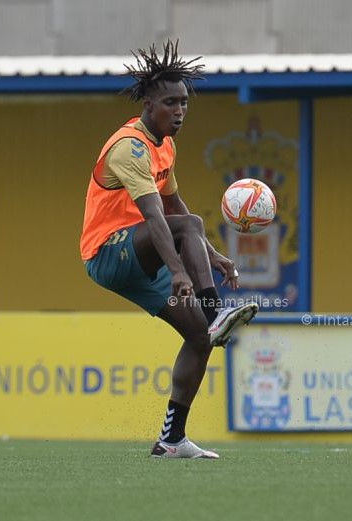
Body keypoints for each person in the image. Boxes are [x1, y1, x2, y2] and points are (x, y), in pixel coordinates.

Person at [80, 40, 258, 459]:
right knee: (186, 231)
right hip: (108, 252)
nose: (179, 111)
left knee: (199, 338)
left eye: (184, 103)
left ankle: (171, 438)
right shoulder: (130, 147)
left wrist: (212, 255)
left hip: (143, 252)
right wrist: (180, 273)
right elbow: (159, 219)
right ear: (148, 103)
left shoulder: (166, 145)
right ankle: (217, 311)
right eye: (170, 103)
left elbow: (175, 206)